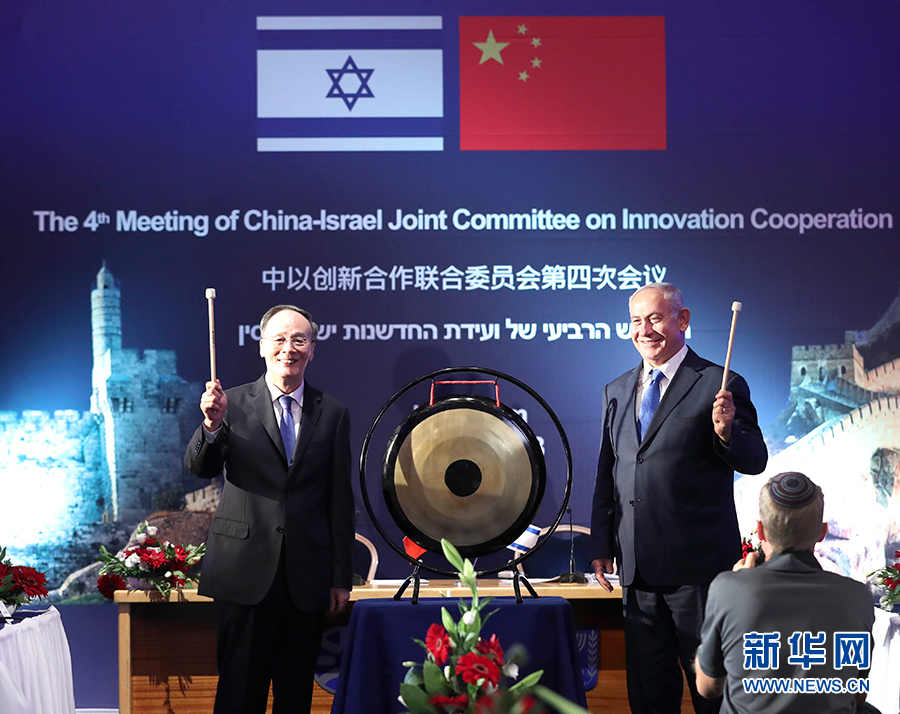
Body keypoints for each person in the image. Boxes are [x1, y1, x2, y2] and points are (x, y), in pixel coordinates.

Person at [590, 282, 768, 713]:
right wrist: (601, 544)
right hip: (637, 574)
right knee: (649, 697)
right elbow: (609, 471)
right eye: (636, 321)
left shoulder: (720, 383)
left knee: (714, 695)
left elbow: (755, 459)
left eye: (655, 318)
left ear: (682, 320)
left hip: (699, 573)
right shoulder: (617, 390)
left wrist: (727, 432)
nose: (644, 330)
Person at [185, 304, 354, 714]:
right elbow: (200, 468)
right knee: (240, 694)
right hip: (243, 573)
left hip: (306, 577)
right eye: (279, 339)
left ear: (312, 349)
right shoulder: (230, 403)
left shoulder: (332, 412)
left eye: (299, 340)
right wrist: (211, 426)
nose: (288, 348)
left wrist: (340, 577)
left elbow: (339, 499)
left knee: (295, 697)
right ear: (262, 346)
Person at [695, 472, 875, 713]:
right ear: (822, 532)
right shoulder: (857, 596)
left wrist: (736, 586)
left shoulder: (727, 589)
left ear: (760, 531)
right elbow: (858, 694)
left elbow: (708, 688)